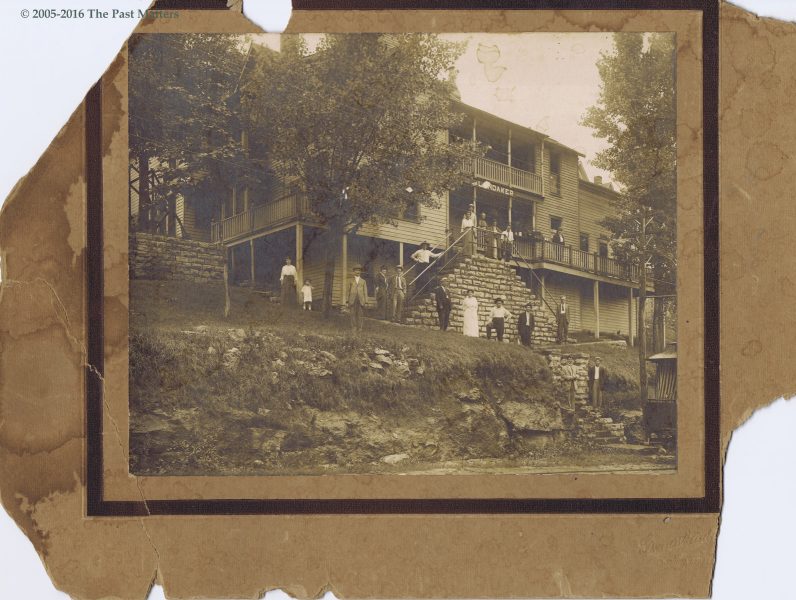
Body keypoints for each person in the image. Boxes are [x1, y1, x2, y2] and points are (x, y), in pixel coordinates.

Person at [347, 266, 368, 334]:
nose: (357, 272)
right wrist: (347, 301)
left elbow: (365, 291)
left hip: (360, 299)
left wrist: (366, 301)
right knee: (352, 314)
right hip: (352, 299)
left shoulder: (363, 281)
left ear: (360, 272)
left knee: (360, 314)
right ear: (354, 272)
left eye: (359, 270)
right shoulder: (350, 280)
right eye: (356, 270)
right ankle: (354, 327)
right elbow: (348, 291)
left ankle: (360, 328)